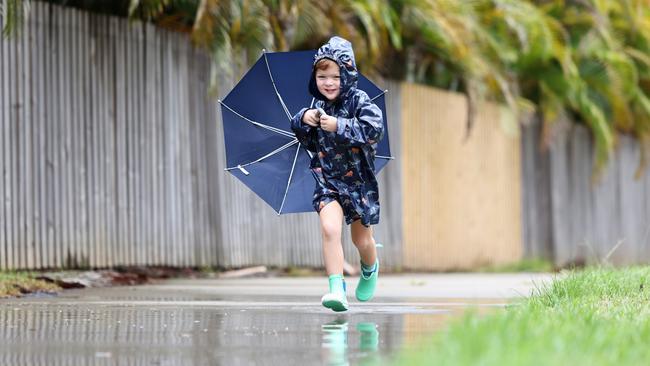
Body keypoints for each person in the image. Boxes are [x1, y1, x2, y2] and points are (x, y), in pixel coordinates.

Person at [290, 36, 384, 312]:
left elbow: (373, 130)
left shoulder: (359, 101)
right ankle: (336, 289)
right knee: (330, 229)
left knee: (361, 240)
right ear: (314, 77)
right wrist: (302, 119)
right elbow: (306, 140)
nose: (328, 82)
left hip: (358, 183)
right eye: (322, 76)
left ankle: (370, 267)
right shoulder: (316, 105)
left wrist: (338, 125)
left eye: (335, 76)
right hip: (327, 181)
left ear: (347, 74)